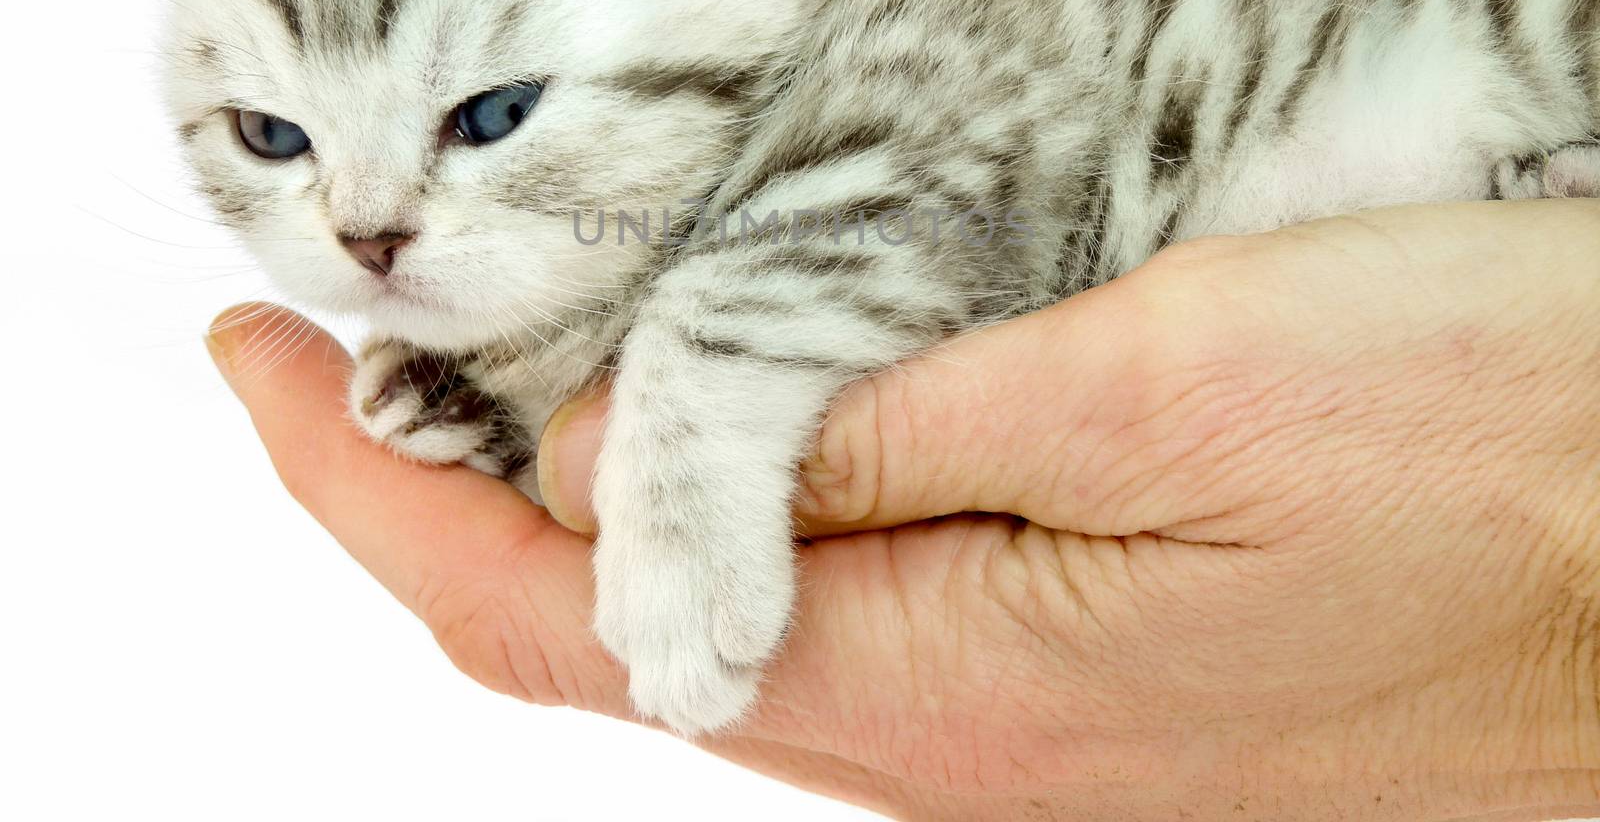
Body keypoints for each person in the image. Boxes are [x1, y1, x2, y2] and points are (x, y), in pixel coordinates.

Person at [205, 201, 1600, 821]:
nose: (358, 224)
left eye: (494, 113)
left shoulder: (877, 61)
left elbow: (934, 217)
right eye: (273, 141)